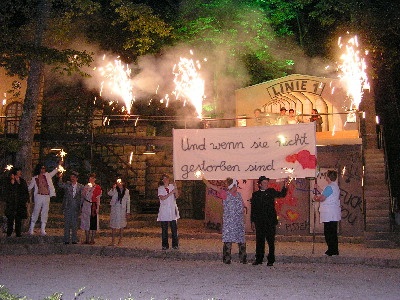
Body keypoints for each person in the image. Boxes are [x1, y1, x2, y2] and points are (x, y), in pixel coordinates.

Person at [203, 177, 247, 264]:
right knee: (228, 240)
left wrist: (244, 216)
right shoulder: (225, 194)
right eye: (236, 185)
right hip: (229, 222)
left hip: (239, 221)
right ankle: (227, 259)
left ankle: (243, 259)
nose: (237, 187)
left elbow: (243, 206)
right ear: (233, 186)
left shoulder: (239, 195)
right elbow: (214, 187)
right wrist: (205, 180)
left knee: (241, 240)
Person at [251, 176, 288, 266]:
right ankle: (259, 259)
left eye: (267, 183)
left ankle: (271, 260)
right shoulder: (255, 195)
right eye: (264, 183)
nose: (266, 184)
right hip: (259, 221)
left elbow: (282, 194)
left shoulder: (271, 191)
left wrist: (285, 185)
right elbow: (253, 209)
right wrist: (252, 221)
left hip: (270, 221)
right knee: (260, 241)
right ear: (260, 184)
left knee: (271, 241)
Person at [313, 170, 341, 256]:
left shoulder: (329, 187)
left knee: (328, 232)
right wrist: (318, 188)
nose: (325, 177)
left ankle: (330, 250)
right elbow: (326, 194)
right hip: (333, 213)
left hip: (329, 213)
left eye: (326, 176)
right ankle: (334, 250)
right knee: (333, 232)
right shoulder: (334, 186)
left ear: (328, 177)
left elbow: (323, 198)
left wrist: (316, 198)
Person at [28, 163, 59, 235]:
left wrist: (58, 166)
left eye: (44, 168)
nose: (43, 170)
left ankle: (43, 229)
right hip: (39, 196)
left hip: (46, 196)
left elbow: (54, 172)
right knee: (36, 211)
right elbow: (30, 187)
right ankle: (31, 228)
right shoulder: (35, 178)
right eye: (42, 168)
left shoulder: (47, 175)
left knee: (45, 212)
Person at [58, 171, 84, 244]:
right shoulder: (67, 185)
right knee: (67, 223)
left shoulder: (80, 186)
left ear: (77, 178)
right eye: (71, 177)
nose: (72, 178)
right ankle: (66, 239)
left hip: (76, 207)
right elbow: (60, 185)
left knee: (74, 224)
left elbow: (83, 196)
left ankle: (74, 239)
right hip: (68, 207)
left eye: (74, 177)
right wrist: (60, 177)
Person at [4, 168, 29, 237]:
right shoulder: (9, 181)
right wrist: (12, 182)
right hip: (11, 203)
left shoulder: (22, 181)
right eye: (18, 172)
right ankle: (9, 233)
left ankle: (18, 233)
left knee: (18, 219)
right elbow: (7, 191)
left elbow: (24, 191)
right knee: (10, 219)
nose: (19, 174)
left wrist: (25, 200)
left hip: (19, 203)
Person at [157, 174, 180, 250]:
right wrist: (171, 193)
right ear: (162, 180)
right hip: (164, 211)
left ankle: (175, 244)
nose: (165, 180)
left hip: (172, 210)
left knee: (174, 228)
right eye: (163, 179)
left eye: (166, 178)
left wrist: (175, 189)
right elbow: (162, 198)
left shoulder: (172, 186)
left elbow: (176, 196)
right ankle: (165, 245)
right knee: (164, 229)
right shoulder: (160, 188)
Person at [108, 178, 130, 246]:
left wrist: (128, 211)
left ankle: (120, 241)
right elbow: (109, 194)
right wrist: (113, 188)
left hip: (122, 209)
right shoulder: (115, 189)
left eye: (121, 182)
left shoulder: (126, 191)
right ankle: (113, 241)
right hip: (115, 208)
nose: (120, 184)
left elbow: (128, 201)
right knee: (113, 225)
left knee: (121, 225)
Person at [81, 173, 102, 244]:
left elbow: (98, 198)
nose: (91, 179)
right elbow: (83, 196)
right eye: (90, 178)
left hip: (93, 205)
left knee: (93, 222)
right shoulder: (86, 186)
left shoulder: (97, 187)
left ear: (95, 179)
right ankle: (87, 239)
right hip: (86, 204)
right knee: (86, 221)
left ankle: (92, 239)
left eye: (93, 178)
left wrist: (97, 207)